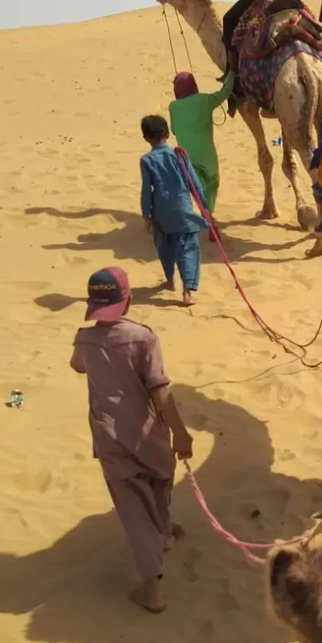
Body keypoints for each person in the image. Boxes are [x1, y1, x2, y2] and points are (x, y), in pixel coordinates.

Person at [70, 265, 194, 614]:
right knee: (160, 482)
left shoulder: (84, 339)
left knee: (131, 504)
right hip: (150, 432)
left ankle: (154, 574)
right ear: (129, 301)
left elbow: (77, 365)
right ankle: (160, 550)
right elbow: (160, 388)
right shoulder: (144, 337)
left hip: (111, 438)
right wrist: (180, 432)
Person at [140, 114, 208, 304]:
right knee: (188, 247)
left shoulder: (146, 160)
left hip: (160, 210)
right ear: (168, 133)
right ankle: (187, 292)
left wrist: (146, 214)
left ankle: (170, 280)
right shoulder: (180, 154)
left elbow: (146, 190)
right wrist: (204, 206)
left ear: (146, 138)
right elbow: (194, 183)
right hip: (183, 209)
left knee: (164, 245)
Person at [168, 69, 233, 213]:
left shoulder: (173, 106)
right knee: (212, 183)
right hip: (207, 155)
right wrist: (232, 73)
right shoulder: (205, 100)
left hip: (186, 156)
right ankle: (209, 213)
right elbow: (225, 91)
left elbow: (174, 130)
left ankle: (206, 215)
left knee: (198, 188)